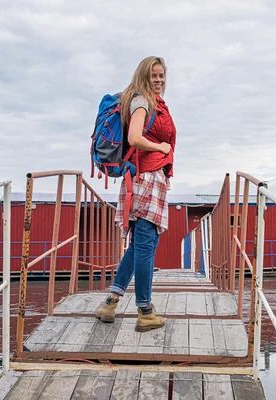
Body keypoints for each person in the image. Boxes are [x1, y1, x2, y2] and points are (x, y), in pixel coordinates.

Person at [95, 56, 176, 332]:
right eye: (154, 75)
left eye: (162, 75)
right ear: (144, 75)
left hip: (147, 178)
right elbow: (134, 138)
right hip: (146, 178)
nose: (159, 80)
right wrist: (162, 149)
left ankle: (110, 302)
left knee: (140, 244)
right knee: (145, 244)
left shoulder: (149, 100)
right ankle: (145, 311)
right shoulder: (142, 101)